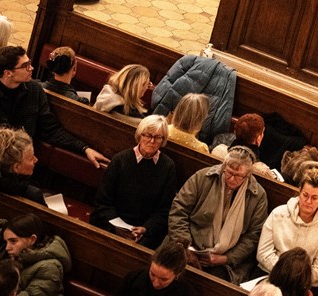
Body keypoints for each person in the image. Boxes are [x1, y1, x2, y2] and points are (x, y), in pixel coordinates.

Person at [0, 46, 108, 166]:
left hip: (21, 165)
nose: (32, 68)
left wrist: (84, 148)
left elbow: (51, 129)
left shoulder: (34, 90)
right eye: (26, 65)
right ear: (8, 73)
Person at [164, 146, 269, 282]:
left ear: (248, 175)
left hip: (226, 258)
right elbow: (179, 210)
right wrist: (186, 247)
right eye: (229, 173)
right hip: (187, 244)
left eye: (238, 176)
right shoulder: (203, 177)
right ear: (223, 166)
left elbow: (254, 235)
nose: (231, 179)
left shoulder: (258, 195)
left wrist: (227, 258)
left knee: (213, 282)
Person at [92, 115, 179, 249]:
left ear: (163, 140)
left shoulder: (168, 167)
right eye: (148, 135)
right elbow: (103, 201)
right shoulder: (120, 160)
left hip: (145, 230)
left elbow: (165, 210)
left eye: (158, 137)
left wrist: (146, 229)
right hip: (113, 223)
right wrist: (116, 227)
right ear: (140, 135)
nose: (152, 141)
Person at [257, 167, 318, 290]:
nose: (308, 201)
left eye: (314, 198)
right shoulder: (278, 213)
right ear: (299, 191)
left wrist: (297, 279)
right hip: (269, 275)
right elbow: (263, 253)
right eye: (305, 195)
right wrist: (283, 275)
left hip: (302, 285)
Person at [0, 214, 70, 296]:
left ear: (32, 239)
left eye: (13, 241)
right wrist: (3, 226)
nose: (7, 247)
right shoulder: (8, 254)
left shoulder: (49, 267)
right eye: (6, 241)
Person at [119, 240, 195, 296]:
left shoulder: (186, 293)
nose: (155, 284)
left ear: (177, 274)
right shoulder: (134, 277)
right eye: (152, 274)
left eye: (164, 279)